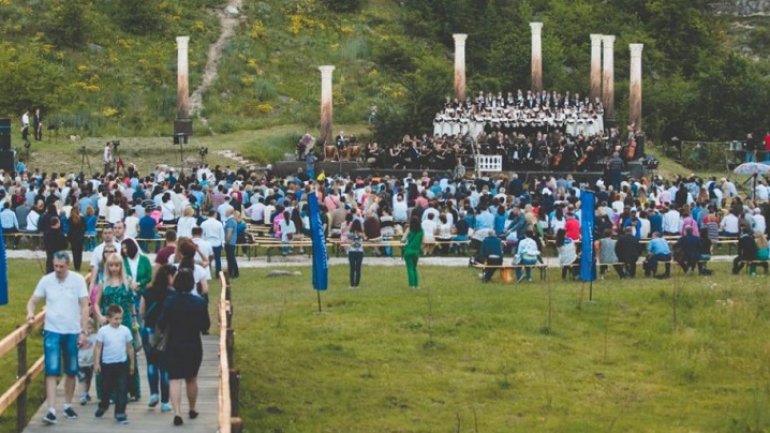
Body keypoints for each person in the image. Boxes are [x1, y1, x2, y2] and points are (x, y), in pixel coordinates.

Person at [26, 251, 89, 424]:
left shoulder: (78, 280)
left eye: (61, 267)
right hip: (52, 329)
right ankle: (51, 410)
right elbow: (32, 300)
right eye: (56, 266)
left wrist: (83, 331)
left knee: (71, 370)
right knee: (51, 370)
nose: (58, 270)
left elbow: (85, 306)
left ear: (68, 265)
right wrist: (31, 314)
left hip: (72, 330)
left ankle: (67, 405)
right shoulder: (47, 280)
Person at [158, 269, 210, 426]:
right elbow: (205, 325)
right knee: (191, 378)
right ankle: (192, 408)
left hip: (174, 343)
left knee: (174, 379)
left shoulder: (169, 302)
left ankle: (177, 412)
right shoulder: (200, 302)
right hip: (193, 344)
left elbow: (161, 324)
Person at [94, 253, 141, 401]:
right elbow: (95, 302)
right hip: (108, 321)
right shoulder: (103, 282)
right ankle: (108, 392)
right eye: (111, 265)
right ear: (107, 266)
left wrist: (134, 319)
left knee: (127, 352)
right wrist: (100, 316)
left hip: (124, 320)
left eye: (117, 265)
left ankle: (128, 389)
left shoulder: (126, 281)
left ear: (121, 266)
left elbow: (132, 301)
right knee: (107, 353)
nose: (114, 268)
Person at [139, 264, 176, 412]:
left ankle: (154, 393)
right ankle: (165, 401)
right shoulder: (172, 293)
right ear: (168, 276)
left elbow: (142, 312)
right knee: (165, 367)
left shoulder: (147, 291)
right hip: (165, 333)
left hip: (148, 331)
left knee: (151, 363)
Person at [93, 304, 134, 424]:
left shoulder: (125, 330)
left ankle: (120, 412)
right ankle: (103, 405)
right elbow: (98, 347)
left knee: (122, 389)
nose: (118, 321)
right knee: (106, 388)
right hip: (107, 365)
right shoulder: (103, 331)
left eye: (120, 318)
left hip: (121, 364)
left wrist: (132, 364)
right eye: (116, 318)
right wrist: (96, 363)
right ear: (109, 318)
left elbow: (130, 348)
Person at [77, 319, 97, 405]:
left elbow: (97, 347)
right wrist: (79, 343)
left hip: (91, 362)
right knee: (82, 379)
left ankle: (86, 392)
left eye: (90, 328)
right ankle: (82, 395)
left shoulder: (95, 337)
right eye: (86, 328)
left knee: (88, 379)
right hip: (81, 362)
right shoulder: (78, 337)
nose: (88, 330)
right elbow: (76, 347)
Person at [402, 216, 423, 289]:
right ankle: (417, 285)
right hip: (416, 251)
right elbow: (422, 241)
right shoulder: (421, 230)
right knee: (414, 268)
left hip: (408, 250)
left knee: (410, 268)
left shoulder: (409, 229)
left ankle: (412, 285)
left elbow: (403, 239)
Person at [200, 210, 224, 275]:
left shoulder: (203, 223)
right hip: (217, 243)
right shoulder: (219, 223)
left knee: (207, 258)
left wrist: (202, 242)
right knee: (217, 259)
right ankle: (218, 273)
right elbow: (221, 234)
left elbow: (202, 234)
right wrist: (222, 243)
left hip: (207, 243)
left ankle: (207, 271)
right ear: (215, 214)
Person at [346, 219, 365, 288]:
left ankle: (352, 284)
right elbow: (365, 238)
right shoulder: (361, 234)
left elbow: (347, 241)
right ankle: (357, 284)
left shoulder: (350, 233)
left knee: (352, 268)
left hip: (352, 251)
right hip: (360, 251)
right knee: (358, 269)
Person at [68, 207, 86, 272]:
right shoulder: (82, 219)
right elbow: (85, 227)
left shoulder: (70, 219)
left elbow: (69, 229)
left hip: (73, 238)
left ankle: (76, 266)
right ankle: (78, 266)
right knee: (79, 253)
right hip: (80, 237)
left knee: (74, 252)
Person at [224, 208, 239, 278]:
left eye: (226, 212)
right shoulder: (233, 221)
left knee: (231, 258)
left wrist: (226, 241)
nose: (225, 213)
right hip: (232, 242)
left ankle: (233, 272)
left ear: (229, 213)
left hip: (230, 242)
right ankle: (232, 272)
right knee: (231, 258)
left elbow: (229, 233)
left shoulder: (230, 222)